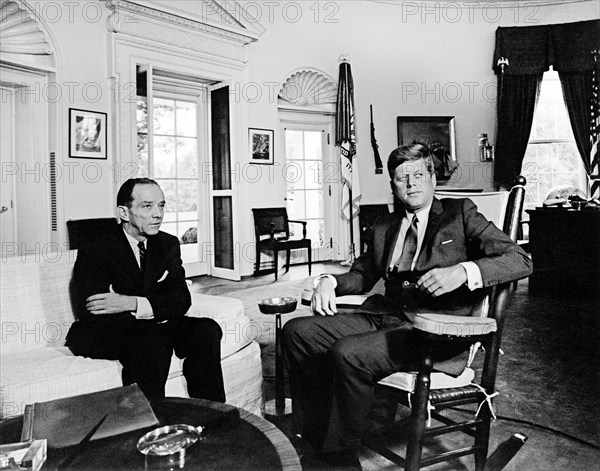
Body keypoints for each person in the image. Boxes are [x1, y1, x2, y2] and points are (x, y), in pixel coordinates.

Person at [282, 143, 532, 466]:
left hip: (433, 330)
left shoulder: (460, 214)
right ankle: (317, 438)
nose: (411, 183)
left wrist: (464, 271)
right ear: (394, 187)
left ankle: (339, 460)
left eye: (418, 174)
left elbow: (519, 260)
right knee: (297, 332)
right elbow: (362, 274)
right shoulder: (386, 225)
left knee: (348, 353)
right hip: (383, 315)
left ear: (432, 178)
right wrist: (329, 282)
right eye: (401, 178)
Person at [65, 178, 225, 402]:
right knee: (153, 342)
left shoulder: (168, 244)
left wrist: (131, 302)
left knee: (206, 330)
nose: (158, 214)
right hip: (106, 332)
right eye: (147, 206)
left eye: (161, 205)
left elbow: (181, 300)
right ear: (124, 212)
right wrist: (157, 304)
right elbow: (96, 309)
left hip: (152, 324)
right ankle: (149, 427)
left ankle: (213, 416)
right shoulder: (97, 249)